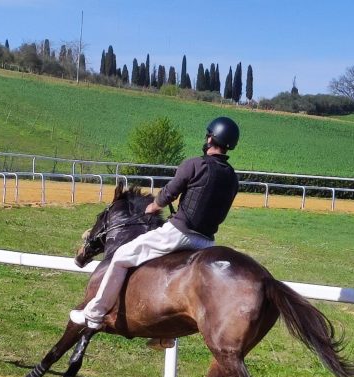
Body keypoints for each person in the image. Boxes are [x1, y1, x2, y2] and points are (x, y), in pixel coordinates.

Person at [70, 116, 240, 330]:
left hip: (179, 233)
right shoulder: (233, 177)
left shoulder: (195, 164)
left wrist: (154, 206)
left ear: (210, 138)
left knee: (121, 256)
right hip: (206, 242)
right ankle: (165, 333)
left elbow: (170, 191)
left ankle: (94, 313)